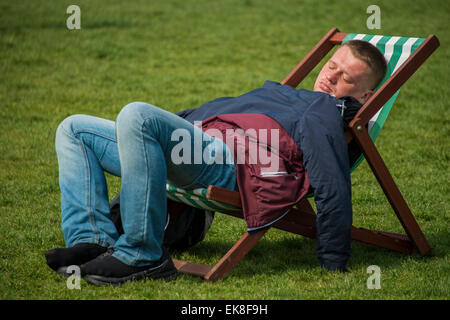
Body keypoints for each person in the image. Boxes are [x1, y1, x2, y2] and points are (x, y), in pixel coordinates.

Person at [45, 40, 387, 286]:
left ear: (364, 97)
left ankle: (142, 254)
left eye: (346, 78)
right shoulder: (289, 94)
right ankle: (93, 240)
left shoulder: (325, 111)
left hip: (235, 163)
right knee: (74, 129)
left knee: (137, 113)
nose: (330, 77)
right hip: (198, 143)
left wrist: (334, 259)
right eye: (331, 66)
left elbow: (331, 179)